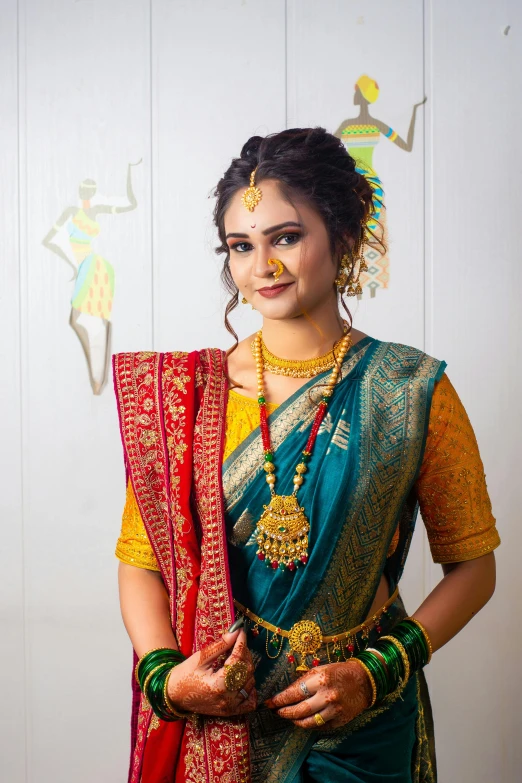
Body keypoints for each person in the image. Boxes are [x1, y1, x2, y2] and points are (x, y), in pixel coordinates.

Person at [112, 128, 500, 783]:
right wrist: (168, 680)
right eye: (242, 246)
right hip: (225, 727)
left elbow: (474, 568)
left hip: (364, 733)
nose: (263, 265)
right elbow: (140, 562)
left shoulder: (409, 389)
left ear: (343, 233)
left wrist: (377, 671)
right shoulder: (191, 397)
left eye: (286, 237)